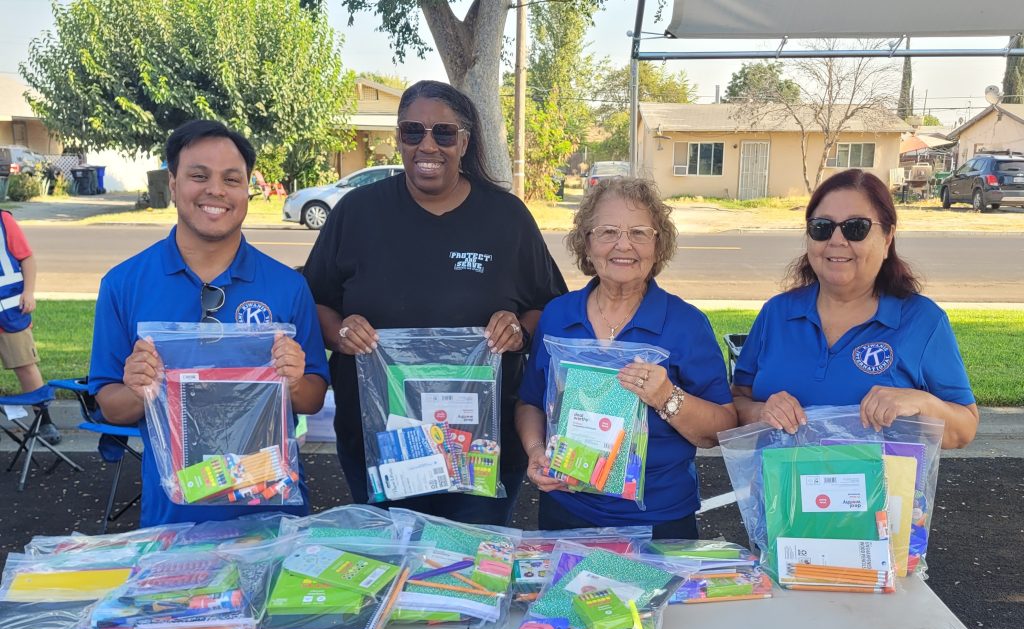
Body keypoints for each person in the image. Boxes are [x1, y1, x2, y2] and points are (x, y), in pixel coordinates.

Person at [303, 80, 566, 526]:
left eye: (443, 133)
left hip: (482, 446)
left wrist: (518, 329)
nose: (428, 144)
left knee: (471, 569)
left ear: (465, 141)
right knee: (394, 563)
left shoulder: (506, 218)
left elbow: (552, 309)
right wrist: (340, 332)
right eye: (413, 132)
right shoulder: (357, 213)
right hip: (381, 441)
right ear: (398, 138)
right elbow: (313, 303)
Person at [89, 120, 329, 527]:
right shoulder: (124, 285)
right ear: (173, 181)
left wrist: (293, 380)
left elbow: (312, 398)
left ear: (247, 188)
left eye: (231, 179)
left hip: (275, 513)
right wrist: (138, 389)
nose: (215, 190)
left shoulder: (288, 287)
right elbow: (110, 406)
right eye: (198, 175)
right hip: (174, 516)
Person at [515, 177, 737, 539]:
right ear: (586, 243)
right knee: (567, 597)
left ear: (657, 244)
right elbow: (530, 402)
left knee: (655, 599)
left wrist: (668, 398)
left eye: (639, 232)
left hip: (659, 521)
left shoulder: (686, 324)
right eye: (607, 232)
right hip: (566, 512)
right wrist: (536, 450)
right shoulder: (557, 315)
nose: (623, 245)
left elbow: (721, 429)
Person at [731, 169, 979, 449]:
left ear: (887, 239)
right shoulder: (776, 314)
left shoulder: (923, 322)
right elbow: (738, 399)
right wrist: (761, 411)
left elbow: (964, 428)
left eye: (855, 228)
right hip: (779, 492)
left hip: (881, 493)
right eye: (822, 227)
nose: (837, 240)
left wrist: (922, 402)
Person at [0, 208, 61, 444]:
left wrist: (28, 292)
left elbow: (26, 258)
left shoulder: (4, 221)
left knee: (26, 366)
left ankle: (44, 420)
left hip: (8, 308)